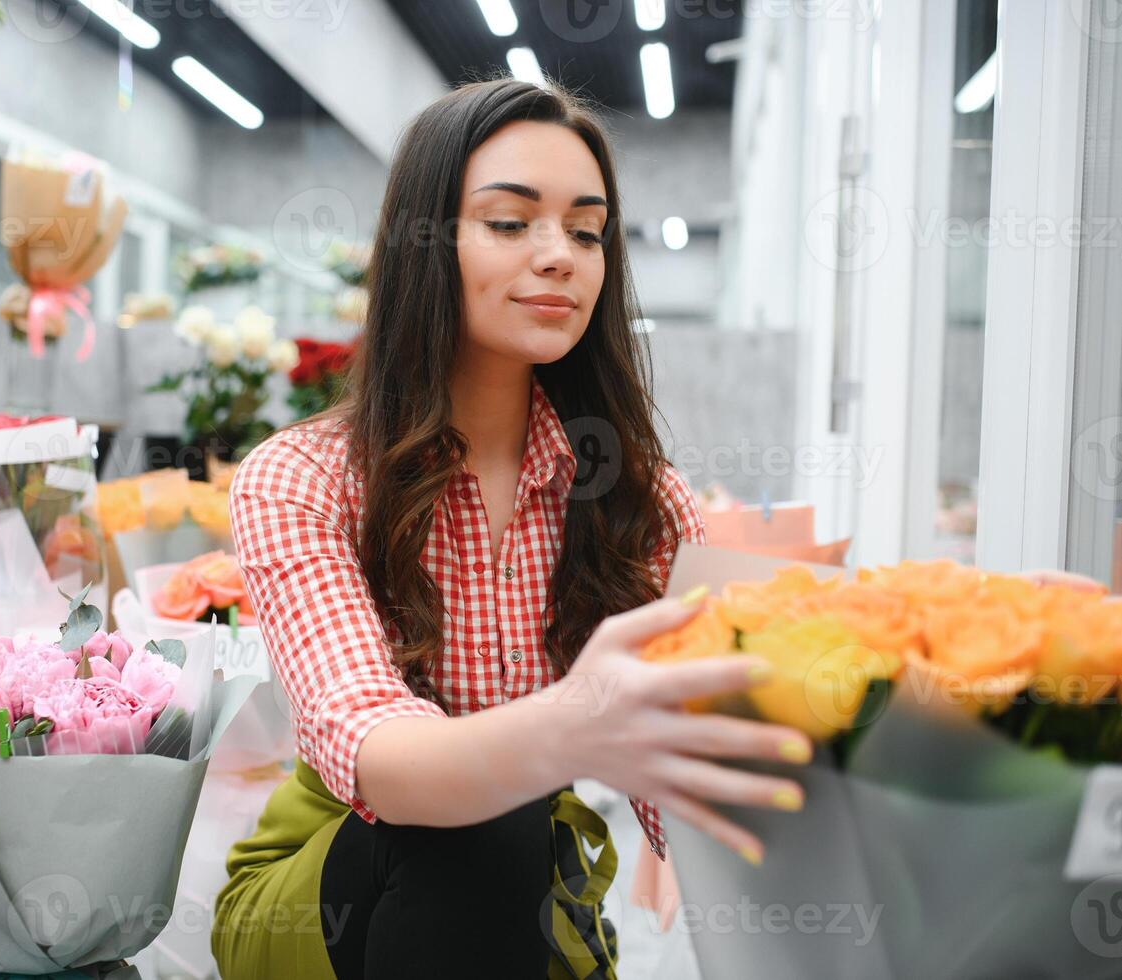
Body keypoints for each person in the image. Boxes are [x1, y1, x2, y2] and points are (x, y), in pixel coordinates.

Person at [210, 78, 814, 979]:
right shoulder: (303, 478)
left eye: (584, 230)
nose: (559, 255)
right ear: (425, 244)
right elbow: (371, 749)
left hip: (514, 888)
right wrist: (576, 720)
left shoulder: (635, 497)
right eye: (508, 222)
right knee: (484, 816)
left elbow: (693, 792)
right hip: (322, 880)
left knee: (512, 830)